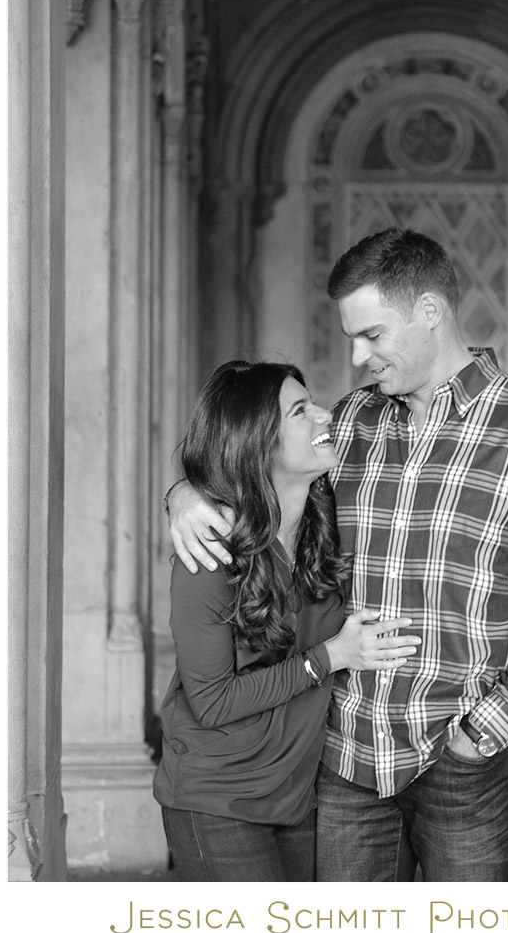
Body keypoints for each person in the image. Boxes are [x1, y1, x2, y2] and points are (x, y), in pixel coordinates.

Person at [167, 228, 508, 881]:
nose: (359, 355)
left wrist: (482, 731)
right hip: (345, 763)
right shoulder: (352, 424)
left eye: (371, 334)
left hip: (465, 762)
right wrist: (184, 495)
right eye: (351, 338)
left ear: (430, 311)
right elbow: (251, 457)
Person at [154, 360, 419, 881]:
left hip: (297, 795)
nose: (325, 414)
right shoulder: (208, 555)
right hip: (216, 801)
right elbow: (212, 702)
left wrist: (180, 492)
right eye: (301, 411)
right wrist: (331, 657)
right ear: (260, 443)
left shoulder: (330, 517)